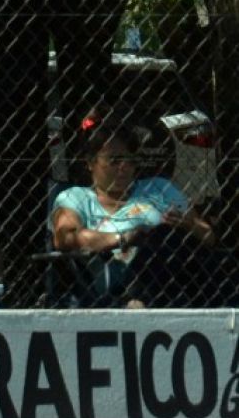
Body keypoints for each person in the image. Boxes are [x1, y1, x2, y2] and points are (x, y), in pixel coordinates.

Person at [50, 106, 234, 308]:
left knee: (168, 235)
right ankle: (136, 295)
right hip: (116, 282)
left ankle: (139, 297)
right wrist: (124, 238)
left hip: (178, 273)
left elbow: (209, 237)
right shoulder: (77, 197)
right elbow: (65, 237)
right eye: (115, 160)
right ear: (90, 163)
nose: (124, 167)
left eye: (130, 160)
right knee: (160, 234)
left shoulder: (159, 187)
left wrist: (188, 224)